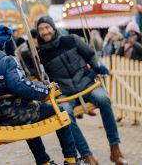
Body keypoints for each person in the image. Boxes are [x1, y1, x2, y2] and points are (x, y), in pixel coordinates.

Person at [0, 25, 78, 165]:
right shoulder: (7, 60)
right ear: (0, 43)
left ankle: (44, 161)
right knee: (59, 111)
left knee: (30, 113)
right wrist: (47, 91)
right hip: (11, 112)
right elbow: (20, 86)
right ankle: (71, 159)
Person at [36, 15, 127, 165]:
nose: (45, 32)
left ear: (53, 27)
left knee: (104, 99)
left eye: (47, 27)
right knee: (64, 113)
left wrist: (97, 67)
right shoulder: (41, 55)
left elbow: (90, 55)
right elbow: (44, 77)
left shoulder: (71, 40)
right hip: (65, 92)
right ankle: (87, 155)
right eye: (41, 29)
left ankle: (115, 148)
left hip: (86, 83)